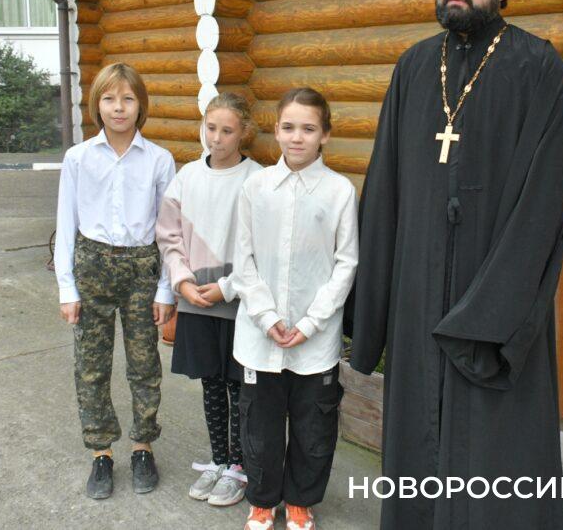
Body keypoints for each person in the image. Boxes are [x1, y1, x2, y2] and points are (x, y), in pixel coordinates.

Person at [347, 0, 563, 528]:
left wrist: (498, 308)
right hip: (419, 289)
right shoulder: (414, 66)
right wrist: (373, 309)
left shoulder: (538, 68)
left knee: (494, 452)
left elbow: (546, 199)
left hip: (494, 290)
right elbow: (384, 186)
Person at [231, 88, 358, 530]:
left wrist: (310, 323)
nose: (297, 137)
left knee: (313, 426)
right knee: (259, 427)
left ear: (325, 134)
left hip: (314, 340)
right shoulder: (255, 187)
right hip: (259, 336)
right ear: (276, 130)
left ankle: (301, 500)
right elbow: (243, 259)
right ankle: (263, 500)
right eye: (288, 127)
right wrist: (267, 317)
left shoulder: (340, 191)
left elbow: (346, 263)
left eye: (308, 128)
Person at [54, 62, 177, 500]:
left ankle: (143, 446)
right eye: (109, 99)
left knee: (144, 365)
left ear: (141, 105)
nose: (119, 107)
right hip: (92, 267)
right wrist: (67, 288)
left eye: (128, 98)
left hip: (142, 269)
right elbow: (65, 225)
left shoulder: (159, 160)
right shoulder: (78, 158)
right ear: (97, 105)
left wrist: (166, 288)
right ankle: (101, 451)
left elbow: (170, 231)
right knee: (91, 367)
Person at [155, 92, 263, 506]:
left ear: (244, 132)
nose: (216, 138)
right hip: (195, 299)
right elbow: (169, 235)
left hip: (238, 302)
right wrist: (181, 281)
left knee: (239, 387)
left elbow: (264, 246)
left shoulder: (257, 179)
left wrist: (229, 287)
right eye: (211, 128)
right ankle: (218, 460)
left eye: (227, 131)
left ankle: (239, 465)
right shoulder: (186, 178)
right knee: (211, 384)